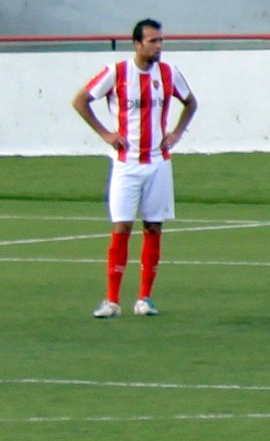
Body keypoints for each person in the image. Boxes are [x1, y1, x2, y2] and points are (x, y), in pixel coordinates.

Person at [72, 19, 198, 318]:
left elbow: (191, 103)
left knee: (154, 227)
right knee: (122, 227)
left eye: (161, 40)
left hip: (158, 162)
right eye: (153, 41)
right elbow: (80, 101)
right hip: (126, 163)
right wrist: (105, 134)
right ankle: (112, 300)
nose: (159, 46)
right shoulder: (116, 72)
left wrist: (177, 133)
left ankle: (145, 298)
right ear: (137, 44)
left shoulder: (168, 73)